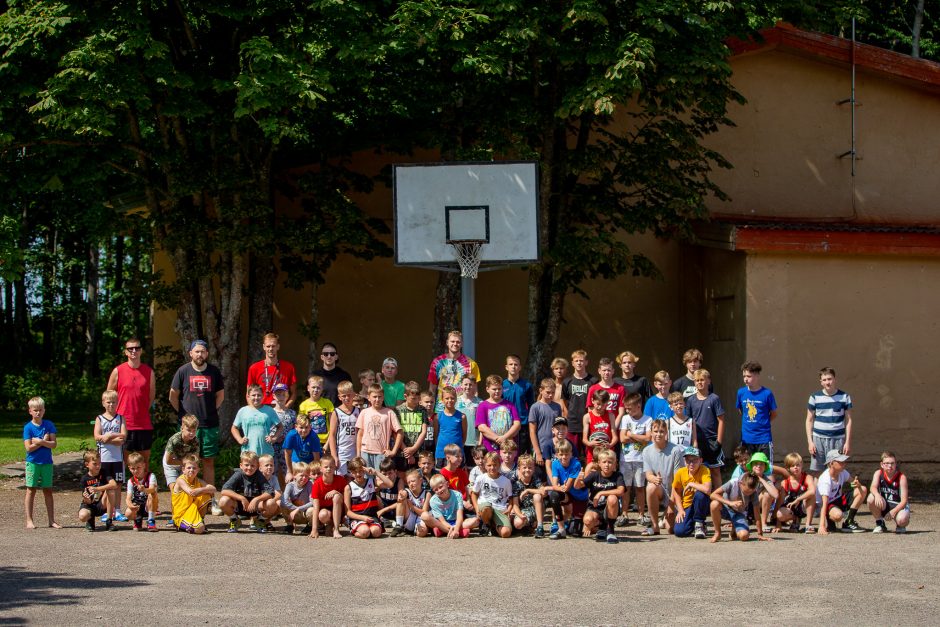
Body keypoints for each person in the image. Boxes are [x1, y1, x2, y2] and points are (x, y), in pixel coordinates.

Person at [169, 340, 224, 494]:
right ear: (190, 353)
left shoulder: (214, 371)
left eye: (203, 351)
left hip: (209, 424)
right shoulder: (183, 371)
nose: (200, 354)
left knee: (208, 462)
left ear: (207, 353)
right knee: (188, 462)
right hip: (188, 427)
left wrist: (211, 410)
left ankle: (209, 497)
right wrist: (182, 415)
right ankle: (187, 496)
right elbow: (173, 395)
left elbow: (220, 395)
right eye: (197, 351)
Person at [106, 337, 155, 469]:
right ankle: (122, 487)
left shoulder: (149, 372)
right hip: (123, 423)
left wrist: (141, 410)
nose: (134, 351)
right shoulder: (118, 371)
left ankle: (144, 487)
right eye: (130, 349)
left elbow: (151, 397)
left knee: (144, 462)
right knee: (123, 461)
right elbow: (108, 396)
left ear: (141, 351)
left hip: (143, 423)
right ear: (126, 352)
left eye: (137, 348)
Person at [806, 367, 853, 476]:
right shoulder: (814, 397)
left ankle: (836, 493)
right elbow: (809, 420)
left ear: (834, 379)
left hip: (838, 439)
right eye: (825, 380)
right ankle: (818, 493)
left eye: (830, 379)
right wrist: (810, 441)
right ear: (821, 382)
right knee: (818, 473)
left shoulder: (844, 397)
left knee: (837, 470)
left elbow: (849, 420)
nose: (828, 382)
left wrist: (847, 442)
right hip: (818, 439)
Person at [23, 396, 60, 530]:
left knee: (48, 491)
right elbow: (28, 448)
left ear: (44, 410)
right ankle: (29, 520)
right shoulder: (28, 428)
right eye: (35, 410)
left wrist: (40, 442)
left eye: (40, 410)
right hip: (32, 462)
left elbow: (53, 444)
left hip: (47, 462)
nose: (38, 413)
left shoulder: (49, 425)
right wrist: (42, 442)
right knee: (31, 490)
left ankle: (51, 520)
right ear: (30, 411)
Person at [576, 448, 626, 543]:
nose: (607, 465)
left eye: (610, 462)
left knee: (612, 498)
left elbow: (621, 491)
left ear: (615, 463)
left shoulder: (618, 475)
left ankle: (610, 531)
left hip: (609, 508)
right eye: (604, 462)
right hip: (594, 507)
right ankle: (601, 527)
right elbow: (578, 486)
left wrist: (600, 493)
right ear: (599, 463)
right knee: (587, 520)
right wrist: (578, 479)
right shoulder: (594, 475)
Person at [642, 419, 683, 536]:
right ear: (651, 432)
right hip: (659, 490)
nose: (658, 434)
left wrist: (671, 504)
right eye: (655, 431)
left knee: (672, 530)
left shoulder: (675, 450)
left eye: (661, 431)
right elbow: (648, 474)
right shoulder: (646, 451)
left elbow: (678, 481)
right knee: (650, 487)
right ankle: (655, 525)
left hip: (674, 492)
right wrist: (653, 479)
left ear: (666, 432)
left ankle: (665, 518)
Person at [219, 451, 277, 533]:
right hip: (240, 505)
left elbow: (270, 492)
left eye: (252, 465)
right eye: (246, 465)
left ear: (257, 466)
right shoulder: (238, 474)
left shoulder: (259, 475)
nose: (249, 468)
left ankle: (260, 521)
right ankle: (234, 520)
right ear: (241, 465)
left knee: (271, 503)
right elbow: (224, 490)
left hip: (255, 507)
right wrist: (241, 498)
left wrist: (257, 499)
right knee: (223, 501)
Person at [686, 369, 725, 488]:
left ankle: (718, 501)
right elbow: (689, 422)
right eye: (697, 380)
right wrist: (693, 441)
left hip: (712, 440)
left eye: (702, 380)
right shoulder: (691, 400)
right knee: (697, 471)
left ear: (708, 381)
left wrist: (719, 441)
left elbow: (721, 420)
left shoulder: (714, 398)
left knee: (715, 471)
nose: (700, 383)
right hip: (697, 441)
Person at [618, 393, 652, 528]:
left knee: (639, 487)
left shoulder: (648, 419)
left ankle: (641, 514)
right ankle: (624, 514)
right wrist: (640, 437)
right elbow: (622, 438)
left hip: (641, 459)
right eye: (626, 408)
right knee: (626, 488)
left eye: (630, 408)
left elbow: (648, 438)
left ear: (638, 406)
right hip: (626, 458)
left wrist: (631, 434)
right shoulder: (625, 419)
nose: (627, 411)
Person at [428, 330, 481, 414]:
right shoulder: (437, 362)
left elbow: (474, 390)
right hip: (441, 409)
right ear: (447, 342)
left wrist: (474, 410)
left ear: (462, 344)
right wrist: (430, 411)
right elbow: (432, 389)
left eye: (458, 342)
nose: (455, 344)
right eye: (452, 341)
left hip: (463, 410)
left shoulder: (471, 364)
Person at [94, 389, 127, 522]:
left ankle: (117, 510)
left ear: (117, 403)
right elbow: (97, 436)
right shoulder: (100, 418)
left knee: (118, 484)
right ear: (103, 403)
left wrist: (109, 436)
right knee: (106, 485)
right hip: (104, 458)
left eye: (113, 402)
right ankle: (106, 510)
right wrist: (112, 439)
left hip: (117, 458)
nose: (111, 405)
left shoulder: (120, 418)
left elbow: (123, 436)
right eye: (108, 402)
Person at [708, 472, 770, 542]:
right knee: (714, 504)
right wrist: (730, 503)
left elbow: (757, 515)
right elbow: (712, 495)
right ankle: (717, 533)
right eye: (746, 492)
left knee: (744, 536)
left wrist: (760, 534)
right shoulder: (732, 483)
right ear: (740, 484)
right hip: (725, 509)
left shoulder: (753, 492)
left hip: (738, 513)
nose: (749, 494)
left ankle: (734, 530)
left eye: (751, 492)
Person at [817, 450, 868, 535]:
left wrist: (857, 485)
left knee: (863, 489)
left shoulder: (842, 472)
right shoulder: (825, 479)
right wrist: (821, 526)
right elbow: (824, 503)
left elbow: (853, 483)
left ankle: (849, 521)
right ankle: (830, 521)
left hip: (839, 499)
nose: (844, 463)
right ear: (831, 463)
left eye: (844, 461)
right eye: (840, 461)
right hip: (828, 505)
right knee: (838, 516)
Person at [547, 439, 588, 540]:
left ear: (571, 454)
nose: (564, 457)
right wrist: (558, 487)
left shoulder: (576, 464)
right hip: (567, 493)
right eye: (561, 454)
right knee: (554, 495)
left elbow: (568, 486)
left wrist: (559, 487)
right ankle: (561, 529)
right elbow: (555, 484)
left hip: (579, 496)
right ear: (556, 454)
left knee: (577, 533)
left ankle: (576, 521)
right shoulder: (555, 464)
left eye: (567, 454)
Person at [736, 360, 777, 461]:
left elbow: (774, 414)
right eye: (744, 376)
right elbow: (741, 411)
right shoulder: (741, 393)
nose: (746, 379)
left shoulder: (767, 394)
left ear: (757, 376)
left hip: (763, 438)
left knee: (766, 469)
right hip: (746, 438)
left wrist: (763, 422)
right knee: (748, 469)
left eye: (749, 376)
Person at [344, 457, 394, 539]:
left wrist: (376, 473)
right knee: (365, 532)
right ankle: (354, 529)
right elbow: (348, 512)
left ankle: (367, 529)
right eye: (355, 472)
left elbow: (390, 484)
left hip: (371, 516)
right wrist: (363, 518)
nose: (358, 474)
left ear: (364, 470)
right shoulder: (349, 487)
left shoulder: (372, 481)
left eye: (360, 471)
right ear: (351, 472)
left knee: (376, 532)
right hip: (358, 517)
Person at [356, 383, 403, 470]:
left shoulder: (389, 413)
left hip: (382, 453)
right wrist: (358, 454)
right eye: (374, 397)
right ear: (368, 397)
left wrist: (393, 451)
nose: (377, 399)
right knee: (367, 479)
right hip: (365, 452)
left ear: (383, 397)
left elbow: (399, 432)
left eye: (380, 396)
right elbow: (360, 434)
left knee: (381, 479)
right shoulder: (364, 412)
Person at [162, 415, 201, 515]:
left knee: (187, 488)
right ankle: (174, 517)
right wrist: (185, 463)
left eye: (194, 430)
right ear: (182, 428)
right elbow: (169, 461)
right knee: (175, 490)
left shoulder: (195, 441)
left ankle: (185, 514)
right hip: (171, 464)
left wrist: (187, 465)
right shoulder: (174, 440)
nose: (192, 433)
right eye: (188, 430)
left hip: (185, 465)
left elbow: (195, 460)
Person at [246, 332, 297, 406]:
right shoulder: (254, 368)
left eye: (273, 346)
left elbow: (294, 392)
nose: (270, 349)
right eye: (268, 346)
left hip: (280, 408)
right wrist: (254, 410)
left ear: (278, 347)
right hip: (261, 409)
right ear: (264, 347)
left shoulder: (288, 367)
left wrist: (285, 407)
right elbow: (248, 394)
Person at [671, 446, 712, 539]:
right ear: (685, 461)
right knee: (680, 532)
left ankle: (699, 524)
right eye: (688, 460)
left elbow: (707, 489)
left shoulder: (704, 470)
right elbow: (676, 491)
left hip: (702, 504)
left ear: (701, 460)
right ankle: (692, 523)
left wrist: (691, 484)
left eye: (695, 460)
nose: (691, 463)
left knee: (700, 494)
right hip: (687, 505)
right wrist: (680, 509)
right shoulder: (680, 472)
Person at [562, 349, 597, 455]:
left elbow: (596, 402)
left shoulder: (593, 381)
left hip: (590, 423)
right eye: (576, 360)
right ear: (572, 363)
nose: (579, 363)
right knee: (573, 454)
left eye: (581, 360)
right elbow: (564, 402)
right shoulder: (567, 381)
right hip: (573, 424)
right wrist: (568, 418)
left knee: (590, 455)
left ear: (586, 362)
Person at [472, 451, 513, 538]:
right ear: (485, 465)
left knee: (506, 533)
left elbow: (510, 498)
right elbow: (474, 494)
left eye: (495, 465)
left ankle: (494, 526)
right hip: (485, 506)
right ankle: (486, 524)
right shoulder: (481, 478)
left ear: (499, 465)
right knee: (487, 507)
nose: (492, 467)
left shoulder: (506, 481)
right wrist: (476, 508)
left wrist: (509, 509)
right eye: (489, 465)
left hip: (500, 508)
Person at [232, 384, 281, 457]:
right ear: (248, 396)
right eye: (253, 395)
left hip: (265, 452)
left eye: (259, 395)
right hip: (248, 452)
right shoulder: (243, 411)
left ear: (263, 396)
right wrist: (239, 439)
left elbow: (280, 427)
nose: (256, 397)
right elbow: (234, 428)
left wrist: (274, 438)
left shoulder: (269, 410)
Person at [171, 455, 216, 534]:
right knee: (200, 529)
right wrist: (203, 489)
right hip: (181, 514)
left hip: (192, 510)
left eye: (194, 468)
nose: (191, 470)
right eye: (189, 468)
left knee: (207, 494)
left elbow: (213, 489)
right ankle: (180, 526)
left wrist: (202, 489)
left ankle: (200, 519)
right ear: (183, 470)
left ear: (198, 470)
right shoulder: (180, 480)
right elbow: (191, 493)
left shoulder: (197, 480)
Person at [475, 374, 521, 453]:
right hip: (490, 450)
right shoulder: (482, 406)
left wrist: (504, 438)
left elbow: (517, 424)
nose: (497, 391)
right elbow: (482, 427)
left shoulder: (510, 405)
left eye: (499, 389)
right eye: (494, 389)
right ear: (487, 389)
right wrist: (497, 438)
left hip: (509, 450)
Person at [868, 451, 910, 534]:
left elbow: (904, 501)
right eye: (887, 463)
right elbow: (873, 487)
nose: (890, 466)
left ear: (895, 464)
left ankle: (900, 525)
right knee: (871, 497)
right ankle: (880, 523)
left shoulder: (901, 477)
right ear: (882, 464)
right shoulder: (878, 473)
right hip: (885, 504)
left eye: (892, 463)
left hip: (898, 506)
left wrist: (893, 512)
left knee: (902, 520)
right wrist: (877, 495)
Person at [423, 474, 477, 538]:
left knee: (475, 521)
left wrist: (456, 528)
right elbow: (442, 520)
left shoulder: (457, 495)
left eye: (440, 487)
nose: (439, 490)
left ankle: (444, 531)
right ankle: (457, 532)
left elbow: (459, 516)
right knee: (424, 516)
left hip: (456, 521)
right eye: (436, 490)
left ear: (447, 484)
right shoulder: (433, 501)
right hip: (443, 523)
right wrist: (453, 529)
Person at [774, 452, 817, 533]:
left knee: (812, 496)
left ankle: (808, 525)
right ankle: (795, 519)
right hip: (791, 508)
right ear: (787, 468)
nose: (796, 467)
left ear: (802, 465)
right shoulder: (785, 483)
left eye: (798, 465)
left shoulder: (807, 477)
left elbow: (812, 491)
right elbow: (780, 502)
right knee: (780, 514)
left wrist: (798, 499)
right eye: (793, 466)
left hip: (803, 505)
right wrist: (778, 524)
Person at [503, 354, 535, 453]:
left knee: (521, 454)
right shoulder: (501, 385)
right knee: (506, 453)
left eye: (516, 364)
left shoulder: (527, 385)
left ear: (520, 367)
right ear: (506, 367)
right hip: (505, 424)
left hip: (522, 425)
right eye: (511, 364)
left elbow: (531, 406)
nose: (513, 366)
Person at [78, 451, 117, 532]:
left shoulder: (104, 472)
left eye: (99, 463)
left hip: (102, 503)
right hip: (90, 505)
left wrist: (97, 489)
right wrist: (86, 498)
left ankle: (109, 521)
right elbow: (88, 501)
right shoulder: (84, 479)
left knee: (111, 490)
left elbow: (114, 484)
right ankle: (90, 521)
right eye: (95, 464)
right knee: (82, 516)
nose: (98, 466)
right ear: (87, 464)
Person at [528, 379, 562, 473]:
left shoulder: (557, 407)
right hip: (541, 448)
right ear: (541, 391)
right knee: (541, 478)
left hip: (554, 448)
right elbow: (532, 431)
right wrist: (538, 452)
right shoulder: (535, 407)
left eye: (553, 393)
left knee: (554, 476)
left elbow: (559, 428)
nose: (550, 395)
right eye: (548, 392)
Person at [310, 455, 347, 538]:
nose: (329, 469)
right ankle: (330, 524)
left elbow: (348, 498)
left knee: (336, 496)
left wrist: (336, 492)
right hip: (326, 511)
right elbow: (316, 507)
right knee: (322, 515)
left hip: (340, 510)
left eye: (331, 466)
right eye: (326, 467)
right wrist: (314, 529)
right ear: (321, 469)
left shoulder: (341, 480)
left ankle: (336, 529)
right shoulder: (317, 484)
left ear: (335, 467)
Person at [327, 381, 360, 475]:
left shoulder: (359, 411)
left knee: (354, 477)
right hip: (341, 452)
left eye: (349, 395)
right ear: (339, 397)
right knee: (340, 478)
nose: (347, 398)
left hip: (355, 451)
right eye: (344, 396)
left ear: (354, 395)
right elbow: (332, 435)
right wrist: (334, 456)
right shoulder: (336, 412)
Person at [395, 381, 429, 470]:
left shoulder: (422, 410)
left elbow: (424, 431)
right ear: (405, 396)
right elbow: (396, 433)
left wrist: (413, 449)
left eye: (418, 398)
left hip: (419, 453)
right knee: (402, 478)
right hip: (402, 453)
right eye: (413, 398)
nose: (416, 401)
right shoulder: (398, 410)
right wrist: (406, 451)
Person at [511, 454, 546, 537]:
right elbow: (515, 504)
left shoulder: (535, 479)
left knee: (537, 496)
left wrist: (528, 490)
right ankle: (530, 526)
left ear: (534, 469)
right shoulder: (516, 484)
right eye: (524, 467)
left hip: (536, 509)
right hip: (523, 510)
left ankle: (540, 526)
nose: (527, 470)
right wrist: (520, 515)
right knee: (518, 524)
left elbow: (544, 492)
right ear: (519, 469)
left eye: (530, 467)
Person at [298, 375, 335, 453]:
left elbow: (333, 425)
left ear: (322, 389)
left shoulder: (327, 403)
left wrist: (328, 443)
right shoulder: (303, 405)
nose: (316, 390)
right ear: (308, 388)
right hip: (310, 440)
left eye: (318, 388)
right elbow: (301, 426)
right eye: (313, 387)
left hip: (326, 441)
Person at [270, 383, 297, 486]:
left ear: (287, 396)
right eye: (278, 394)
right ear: (273, 396)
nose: (280, 397)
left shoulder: (292, 413)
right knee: (273, 471)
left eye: (283, 394)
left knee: (289, 471)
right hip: (273, 446)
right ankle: (274, 495)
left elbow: (295, 429)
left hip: (287, 447)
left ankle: (290, 496)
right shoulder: (269, 412)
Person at [390, 468, 430, 537]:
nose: (411, 484)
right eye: (408, 482)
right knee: (401, 500)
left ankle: (415, 530)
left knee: (422, 533)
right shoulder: (407, 491)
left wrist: (412, 507)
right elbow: (404, 493)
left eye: (413, 481)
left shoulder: (427, 493)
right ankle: (399, 525)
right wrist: (402, 495)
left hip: (420, 518)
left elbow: (424, 512)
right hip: (409, 517)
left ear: (421, 480)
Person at [125, 451, 159, 531]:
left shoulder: (151, 476)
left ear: (144, 465)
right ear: (129, 468)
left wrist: (145, 489)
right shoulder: (130, 481)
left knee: (152, 494)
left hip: (149, 504)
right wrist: (130, 506)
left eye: (138, 467)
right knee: (128, 513)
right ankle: (137, 520)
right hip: (138, 505)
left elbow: (152, 489)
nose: (136, 471)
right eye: (133, 468)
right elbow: (128, 498)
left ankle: (151, 520)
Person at [587, 357, 626, 426]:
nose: (606, 373)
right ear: (599, 371)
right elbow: (590, 411)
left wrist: (613, 427)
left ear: (613, 371)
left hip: (615, 426)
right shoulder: (593, 389)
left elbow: (621, 412)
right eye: (604, 370)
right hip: (598, 426)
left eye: (609, 370)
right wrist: (597, 426)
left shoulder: (620, 389)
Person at [282, 415, 323, 480]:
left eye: (306, 427)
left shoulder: (313, 437)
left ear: (310, 427)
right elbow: (287, 454)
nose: (304, 430)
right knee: (291, 479)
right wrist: (289, 472)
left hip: (311, 462)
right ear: (296, 427)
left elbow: (316, 458)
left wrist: (314, 473)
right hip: (297, 461)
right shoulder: (291, 435)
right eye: (301, 427)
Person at [582, 388, 616, 464]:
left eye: (603, 405)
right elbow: (584, 439)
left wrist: (610, 445)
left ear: (607, 403)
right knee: (592, 473)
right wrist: (590, 443)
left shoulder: (611, 416)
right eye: (598, 404)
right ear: (592, 401)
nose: (600, 407)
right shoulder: (587, 417)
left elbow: (615, 437)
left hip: (607, 452)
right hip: (593, 452)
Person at [435, 386, 467, 467]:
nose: (450, 400)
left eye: (452, 398)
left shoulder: (462, 416)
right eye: (447, 398)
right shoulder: (438, 417)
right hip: (441, 453)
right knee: (441, 478)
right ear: (442, 400)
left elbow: (464, 434)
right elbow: (436, 434)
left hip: (457, 454)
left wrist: (459, 447)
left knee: (457, 477)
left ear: (456, 399)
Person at [455, 375, 483, 465]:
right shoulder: (455, 402)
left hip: (474, 442)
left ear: (475, 385)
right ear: (461, 385)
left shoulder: (480, 403)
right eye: (465, 384)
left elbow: (482, 424)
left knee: (473, 469)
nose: (468, 387)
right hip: (459, 442)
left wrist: (480, 441)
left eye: (470, 384)